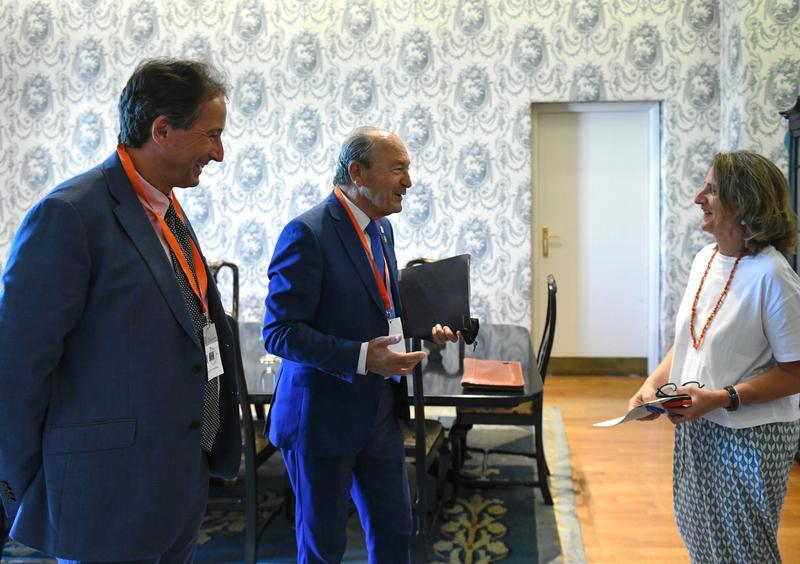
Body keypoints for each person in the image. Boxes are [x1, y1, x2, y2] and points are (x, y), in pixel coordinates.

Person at [0, 59, 241, 562]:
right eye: (211, 135)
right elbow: (16, 367)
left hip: (178, 482)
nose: (219, 153)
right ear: (162, 130)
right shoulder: (69, 214)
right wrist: (25, 489)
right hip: (104, 496)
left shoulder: (167, 209)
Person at [263, 126, 458, 563]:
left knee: (395, 531)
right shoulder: (306, 233)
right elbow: (279, 332)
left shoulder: (381, 230)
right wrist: (362, 357)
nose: (408, 181)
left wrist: (428, 325)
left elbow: (380, 306)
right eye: (397, 169)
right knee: (324, 548)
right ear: (357, 172)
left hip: (379, 411)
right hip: (321, 419)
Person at [629, 150, 800, 562]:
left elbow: (795, 371)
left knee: (745, 552)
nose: (698, 197)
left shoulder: (774, 276)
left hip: (750, 436)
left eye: (712, 189)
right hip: (697, 424)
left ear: (744, 204)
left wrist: (721, 398)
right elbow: (692, 340)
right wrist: (652, 384)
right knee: (701, 540)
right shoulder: (705, 259)